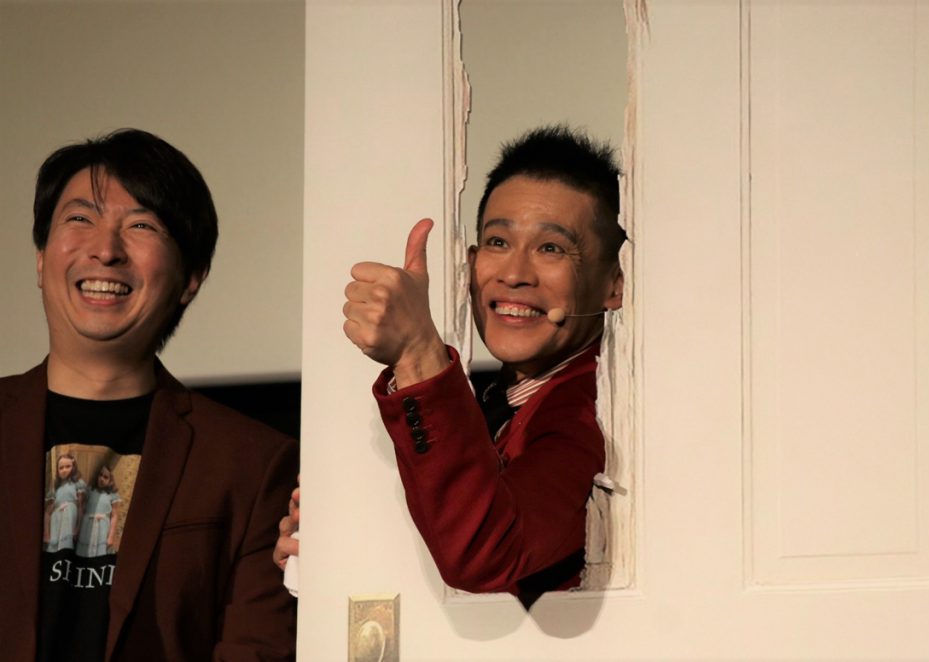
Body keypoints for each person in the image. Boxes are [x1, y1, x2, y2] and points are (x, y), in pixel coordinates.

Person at [276, 126, 625, 605]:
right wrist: (341, 550)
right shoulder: (496, 403)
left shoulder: (593, 412)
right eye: (498, 242)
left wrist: (419, 352)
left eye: (551, 248)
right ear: (470, 263)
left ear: (614, 284)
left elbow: (486, 553)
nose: (514, 274)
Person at [0, 129, 298, 661]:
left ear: (192, 277)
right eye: (80, 218)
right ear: (41, 259)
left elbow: (257, 647)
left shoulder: (252, 464)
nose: (105, 250)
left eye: (141, 225)